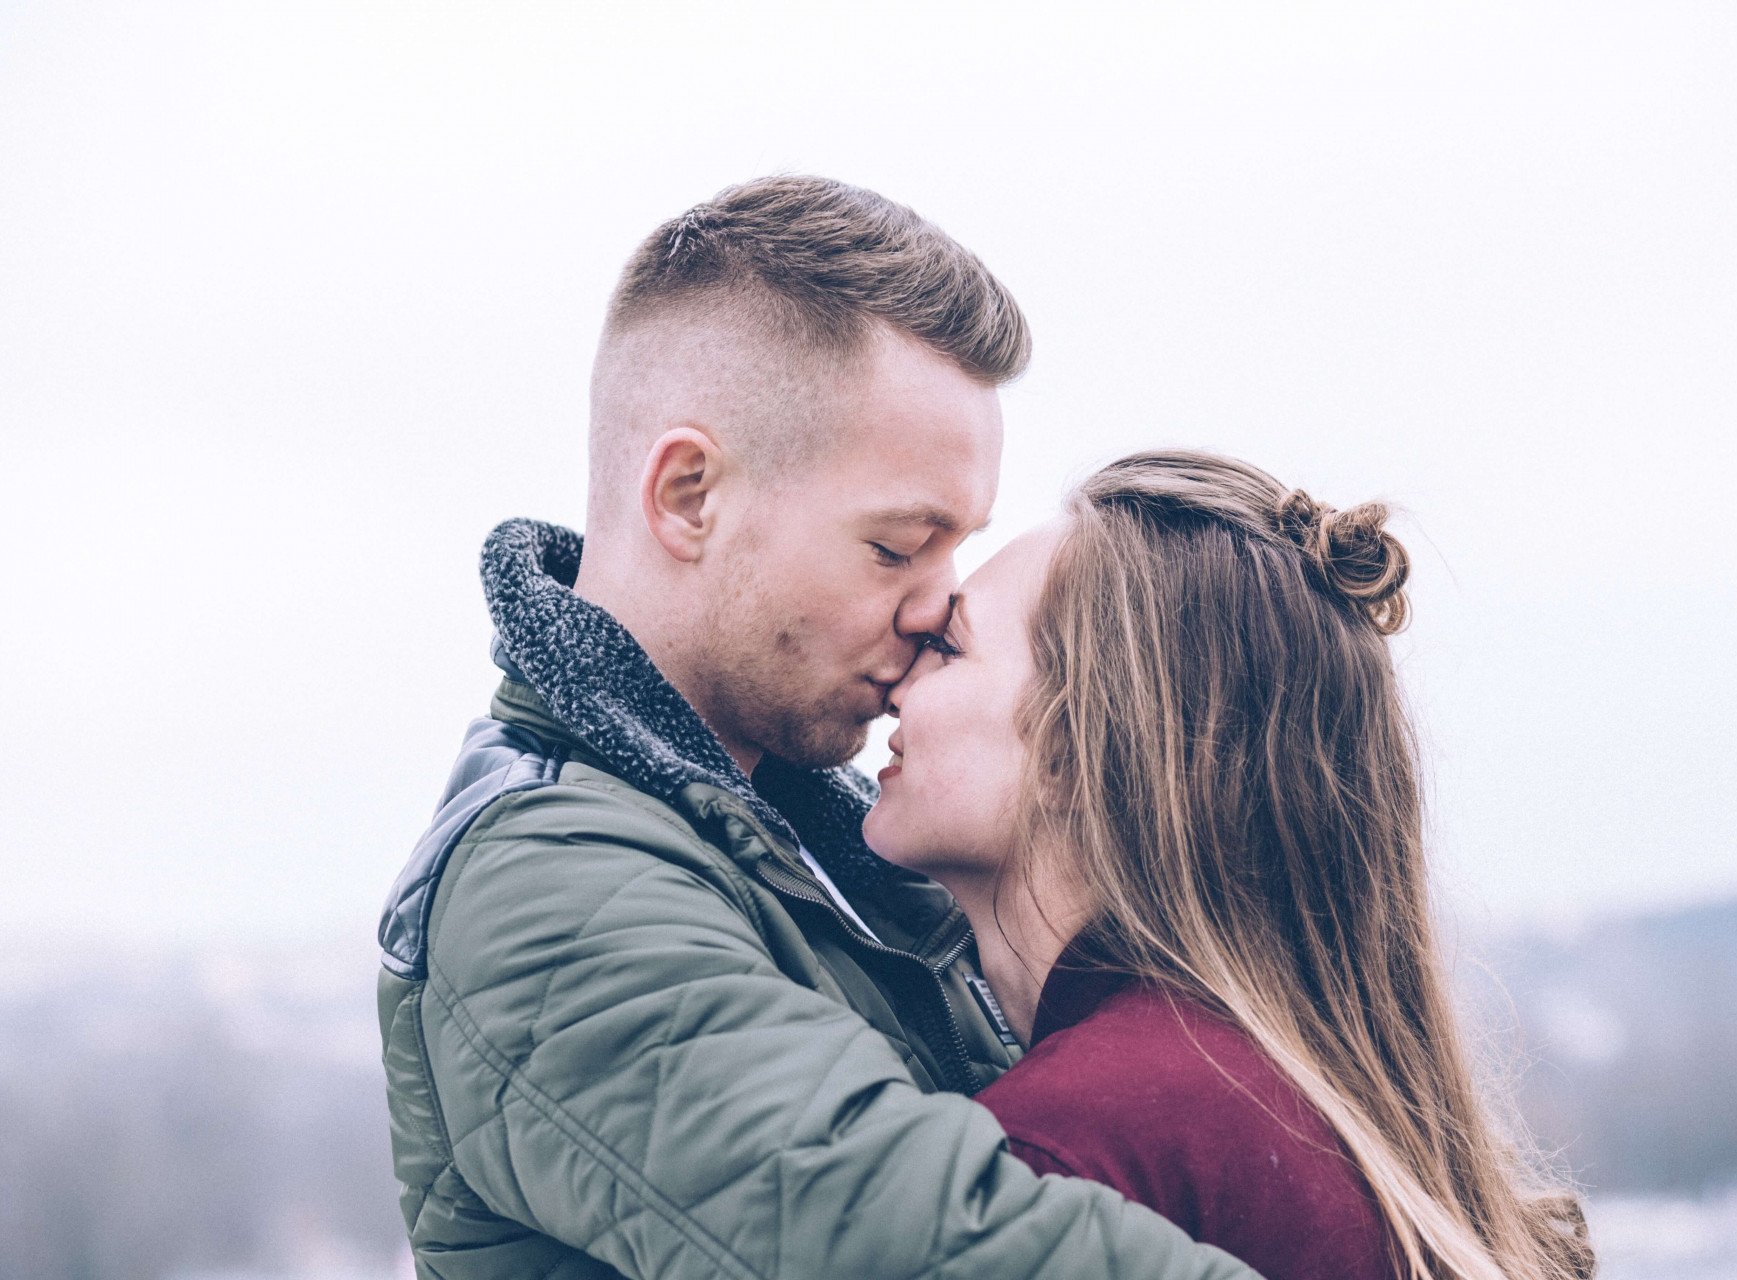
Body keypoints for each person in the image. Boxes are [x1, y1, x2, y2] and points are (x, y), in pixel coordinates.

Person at [376, 178, 1254, 1279]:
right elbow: (916, 1242)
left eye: (957, 547)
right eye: (897, 548)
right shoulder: (548, 884)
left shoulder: (812, 837)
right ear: (690, 495)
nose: (939, 608)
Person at [864, 449, 1597, 1280]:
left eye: (950, 647)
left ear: (1076, 750)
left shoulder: (1068, 1153)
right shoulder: (1298, 1102)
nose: (896, 677)